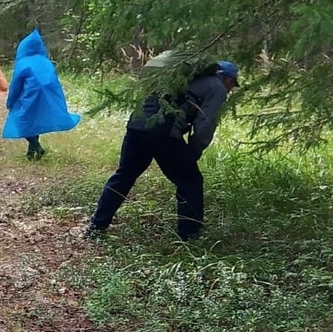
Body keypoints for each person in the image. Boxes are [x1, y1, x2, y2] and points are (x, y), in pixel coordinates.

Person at [87, 60, 239, 241]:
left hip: (136, 125)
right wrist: (194, 150)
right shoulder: (216, 87)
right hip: (164, 132)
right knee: (190, 181)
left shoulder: (179, 75)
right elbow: (206, 122)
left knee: (124, 175)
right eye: (232, 85)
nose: (230, 90)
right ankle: (190, 235)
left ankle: (96, 226)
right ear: (228, 79)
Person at [2, 29, 81, 160]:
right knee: (35, 121)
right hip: (47, 96)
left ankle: (37, 146)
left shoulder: (23, 63)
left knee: (23, 121)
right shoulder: (45, 61)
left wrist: (10, 101)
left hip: (29, 96)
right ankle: (31, 153)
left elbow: (16, 84)